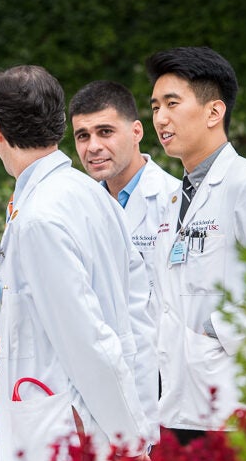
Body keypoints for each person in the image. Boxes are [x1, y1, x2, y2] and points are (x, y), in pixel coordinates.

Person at [0, 66, 152, 461]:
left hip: (67, 423)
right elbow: (136, 311)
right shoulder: (88, 193)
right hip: (78, 412)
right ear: (60, 122)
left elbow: (87, 338)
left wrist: (129, 436)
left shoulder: (41, 216)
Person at [145, 46, 246, 443]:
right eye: (154, 107)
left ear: (214, 112)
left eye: (172, 104)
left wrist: (216, 331)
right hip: (178, 403)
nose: (160, 119)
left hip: (232, 409)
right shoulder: (175, 197)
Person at [69, 80, 181, 433]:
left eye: (105, 131)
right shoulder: (79, 208)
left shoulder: (173, 201)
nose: (93, 147)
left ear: (136, 132)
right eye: (82, 136)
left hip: (166, 382)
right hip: (104, 381)